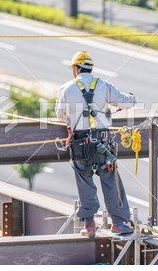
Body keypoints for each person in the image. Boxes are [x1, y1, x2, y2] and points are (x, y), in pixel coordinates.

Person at [55, 51, 136, 238]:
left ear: (76, 69)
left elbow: (60, 114)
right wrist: (131, 97)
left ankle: (89, 224)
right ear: (90, 68)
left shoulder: (67, 88)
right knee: (110, 178)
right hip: (102, 142)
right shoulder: (103, 85)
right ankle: (120, 223)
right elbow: (126, 102)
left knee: (84, 179)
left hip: (79, 142)